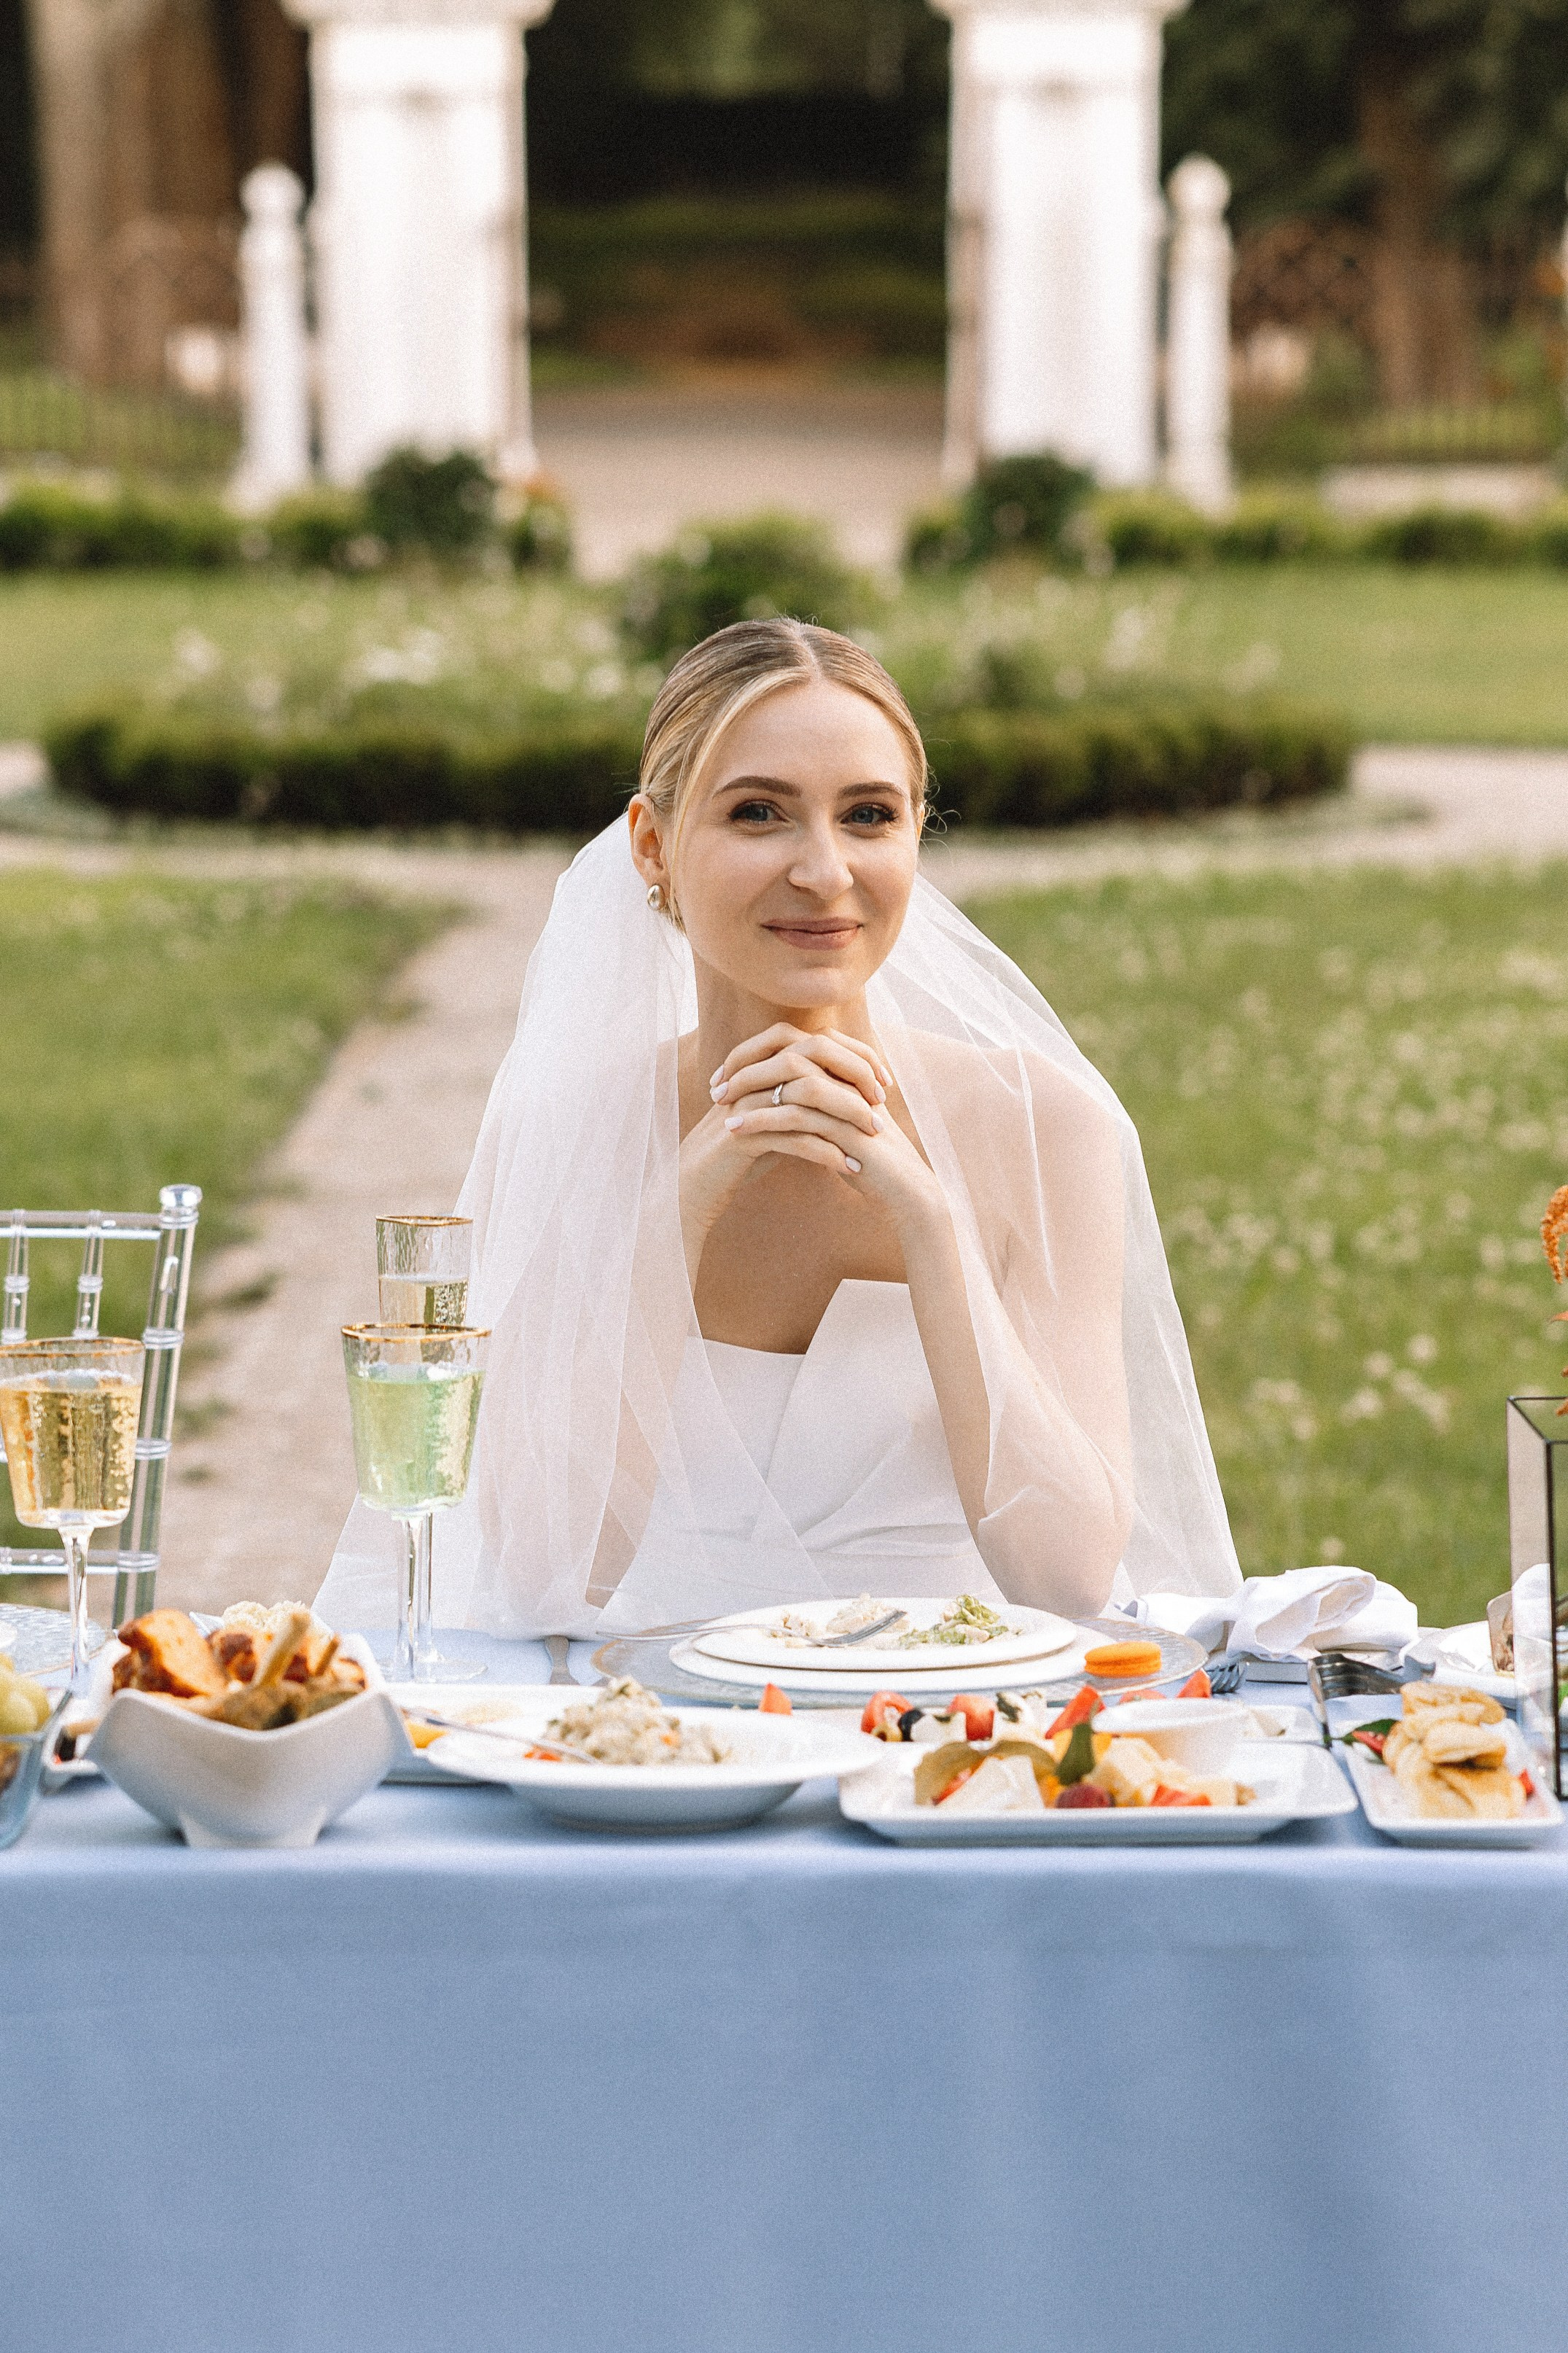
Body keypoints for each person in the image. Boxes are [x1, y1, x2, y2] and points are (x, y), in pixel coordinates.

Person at [318, 620, 1239, 1637]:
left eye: (870, 816)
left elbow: (1065, 1578)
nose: (825, 871)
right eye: (760, 813)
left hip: (941, 1734)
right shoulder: (574, 1124)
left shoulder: (1043, 1126)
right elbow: (541, 1569)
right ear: (652, 846)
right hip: (649, 1745)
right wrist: (683, 1198)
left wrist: (930, 1221)